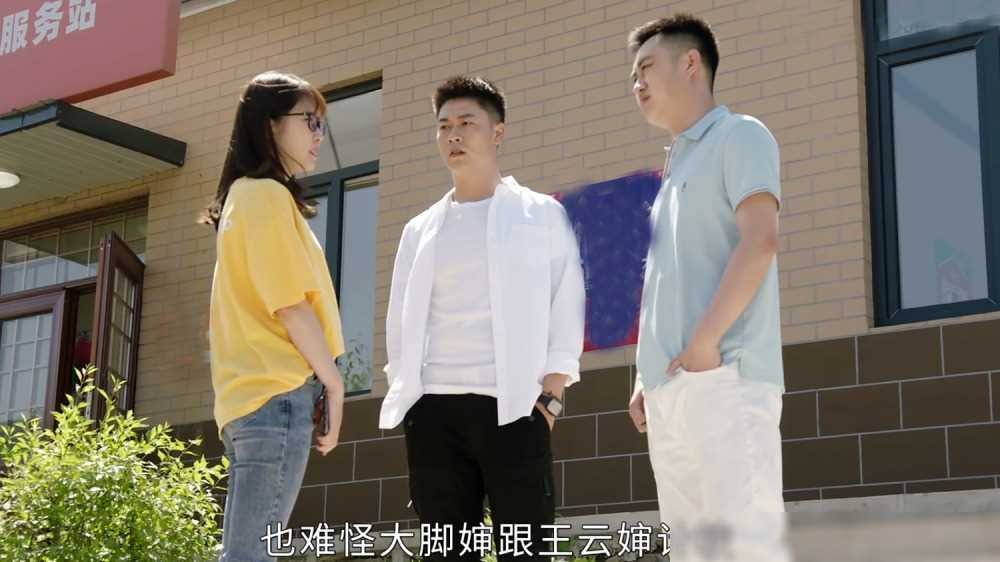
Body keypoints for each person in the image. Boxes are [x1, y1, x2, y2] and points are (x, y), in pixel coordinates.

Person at [378, 76, 585, 561]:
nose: (453, 134)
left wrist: (551, 398)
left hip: (515, 405)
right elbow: (399, 320)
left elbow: (567, 301)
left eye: (467, 123)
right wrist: (408, 396)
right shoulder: (419, 230)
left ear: (497, 132)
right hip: (434, 411)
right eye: (443, 126)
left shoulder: (540, 215)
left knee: (526, 549)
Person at [626, 14, 790, 562]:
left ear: (691, 63)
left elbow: (760, 241)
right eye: (633, 75)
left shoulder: (740, 135)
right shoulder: (673, 170)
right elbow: (667, 281)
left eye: (647, 67)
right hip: (669, 392)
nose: (637, 83)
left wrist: (704, 345)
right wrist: (645, 377)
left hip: (726, 378)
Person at [203, 71, 346, 562]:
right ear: (269, 125)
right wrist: (335, 384)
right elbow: (290, 304)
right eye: (310, 121)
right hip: (276, 395)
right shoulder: (263, 195)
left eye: (322, 124)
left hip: (250, 400)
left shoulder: (244, 198)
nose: (318, 136)